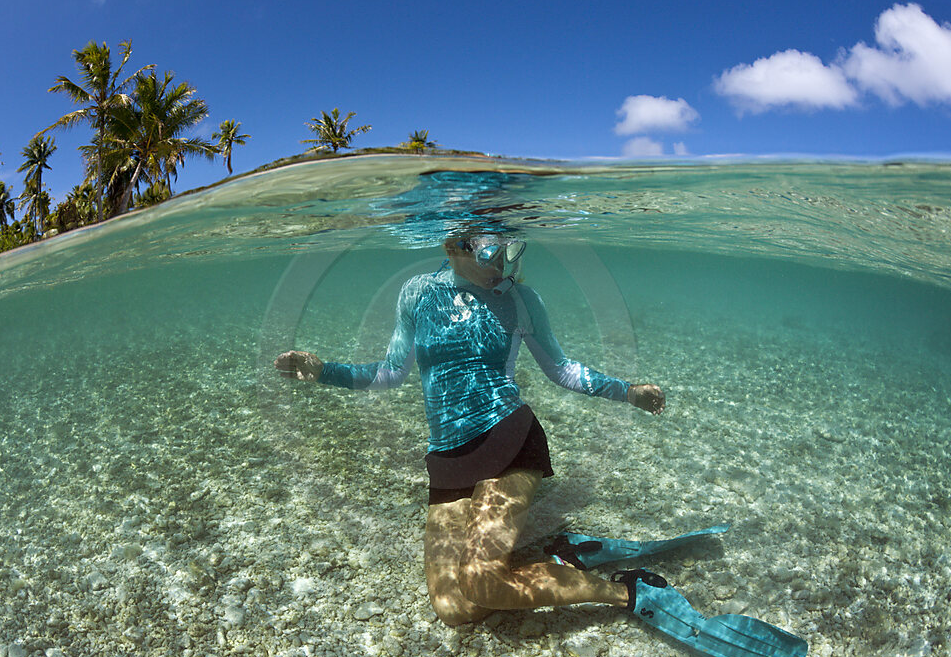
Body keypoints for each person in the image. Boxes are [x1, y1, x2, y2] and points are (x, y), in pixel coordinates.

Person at [275, 233, 665, 626]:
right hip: (448, 455)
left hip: (509, 436)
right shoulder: (418, 292)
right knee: (456, 609)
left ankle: (627, 591)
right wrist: (326, 372)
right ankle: (558, 558)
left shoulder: (520, 300)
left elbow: (562, 369)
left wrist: (628, 392)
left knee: (481, 581)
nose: (500, 269)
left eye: (507, 256)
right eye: (489, 256)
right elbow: (390, 372)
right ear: (452, 247)